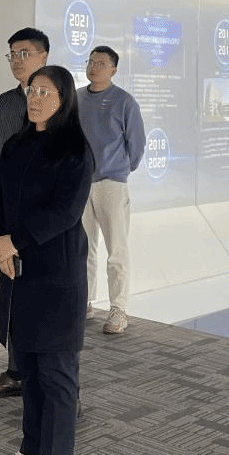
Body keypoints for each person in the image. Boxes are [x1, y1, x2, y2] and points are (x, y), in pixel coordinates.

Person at [0, 65, 92, 455]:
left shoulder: (75, 149)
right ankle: (32, 450)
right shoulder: (17, 143)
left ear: (63, 100)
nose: (35, 97)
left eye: (46, 91)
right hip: (17, 268)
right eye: (32, 90)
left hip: (56, 272)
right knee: (27, 366)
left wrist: (15, 241)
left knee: (56, 371)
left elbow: (65, 211)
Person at [0, 27, 50, 401]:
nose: (16, 61)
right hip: (9, 216)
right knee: (13, 293)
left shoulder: (58, 101)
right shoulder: (5, 103)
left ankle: (54, 383)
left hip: (44, 221)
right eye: (12, 55)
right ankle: (16, 371)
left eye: (24, 53)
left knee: (45, 300)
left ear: (43, 57)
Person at [77, 45, 146, 335]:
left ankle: (118, 308)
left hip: (112, 183)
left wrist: (121, 169)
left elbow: (137, 144)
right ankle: (84, 302)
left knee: (116, 248)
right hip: (81, 183)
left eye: (101, 63)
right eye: (91, 61)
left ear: (113, 70)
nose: (94, 67)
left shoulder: (124, 101)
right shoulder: (76, 99)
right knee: (83, 248)